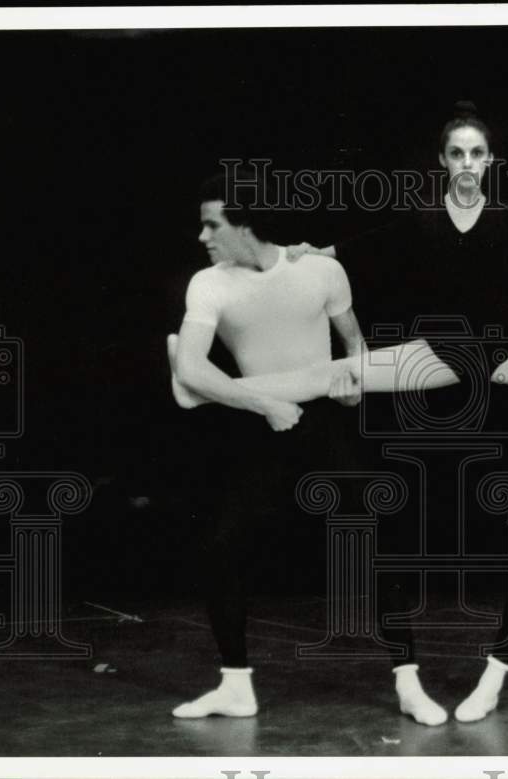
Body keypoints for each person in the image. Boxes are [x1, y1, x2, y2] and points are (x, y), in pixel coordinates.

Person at [290, 102, 508, 726]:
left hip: (493, 380)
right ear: (442, 161)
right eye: (457, 153)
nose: (467, 163)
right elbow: (349, 249)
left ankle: (497, 671)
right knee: (395, 533)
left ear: (491, 161)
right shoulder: (415, 221)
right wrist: (309, 250)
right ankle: (406, 677)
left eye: (477, 153)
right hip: (426, 376)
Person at [168, 172, 365, 718]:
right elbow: (189, 369)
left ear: (244, 225)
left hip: (323, 422)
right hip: (262, 426)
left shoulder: (321, 270)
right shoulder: (209, 284)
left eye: (213, 224)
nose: (203, 236)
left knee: (371, 543)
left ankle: (408, 679)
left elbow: (353, 345)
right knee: (221, 547)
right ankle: (235, 685)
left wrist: (352, 391)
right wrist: (267, 406)